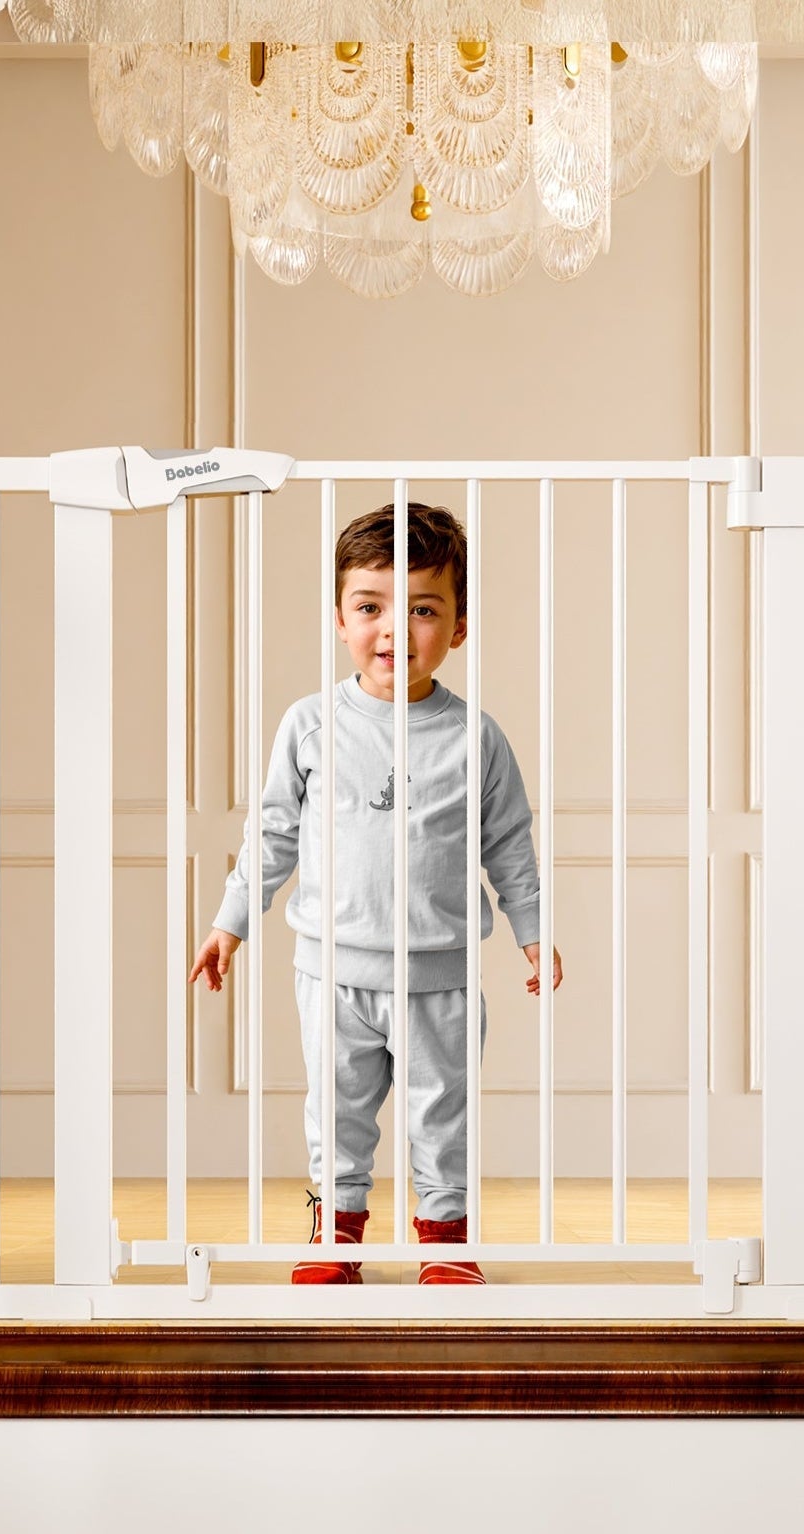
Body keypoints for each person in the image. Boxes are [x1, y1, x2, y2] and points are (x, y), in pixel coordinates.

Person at [189, 501, 562, 1286]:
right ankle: (337, 1235)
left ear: (458, 626)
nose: (395, 629)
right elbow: (272, 834)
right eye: (371, 607)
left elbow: (509, 847)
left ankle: (445, 1238)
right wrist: (231, 922)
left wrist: (533, 930)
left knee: (441, 1115)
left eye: (424, 609)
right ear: (339, 617)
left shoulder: (475, 736)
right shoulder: (312, 724)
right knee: (336, 1113)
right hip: (335, 972)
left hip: (441, 977)